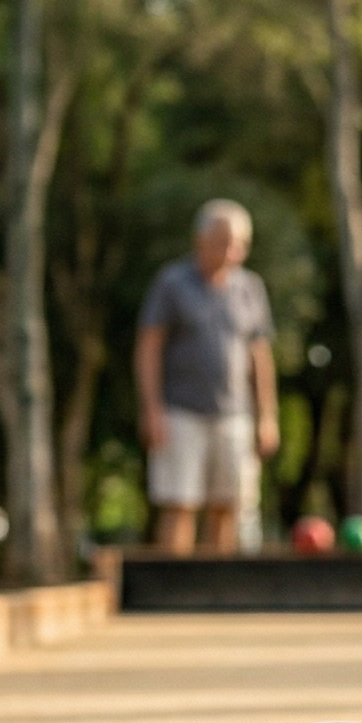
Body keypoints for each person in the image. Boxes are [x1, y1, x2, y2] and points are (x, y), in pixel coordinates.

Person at [136, 200, 281, 555]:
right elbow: (149, 347)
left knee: (229, 504)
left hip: (235, 415)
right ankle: (171, 596)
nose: (231, 251)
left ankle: (217, 596)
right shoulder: (171, 283)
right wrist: (152, 408)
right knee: (179, 502)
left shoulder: (250, 288)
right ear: (199, 239)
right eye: (222, 241)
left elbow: (259, 357)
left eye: (239, 243)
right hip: (180, 411)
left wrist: (267, 416)